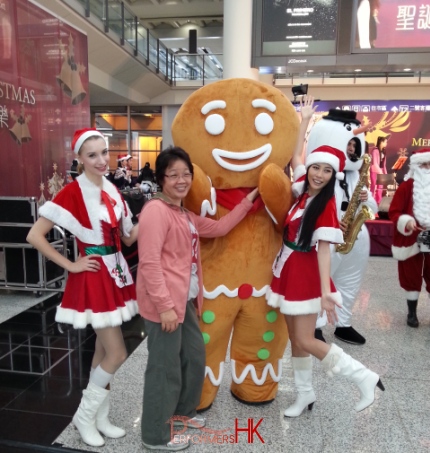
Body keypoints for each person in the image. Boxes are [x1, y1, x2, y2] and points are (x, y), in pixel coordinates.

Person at [266, 97, 384, 418]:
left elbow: (323, 251)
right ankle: (305, 394)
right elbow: (296, 156)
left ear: (334, 174)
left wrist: (326, 291)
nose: (318, 173)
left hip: (305, 279)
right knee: (295, 338)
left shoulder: (326, 207)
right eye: (316, 167)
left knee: (306, 339)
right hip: (288, 272)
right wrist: (303, 121)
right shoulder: (305, 188)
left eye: (326, 170)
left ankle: (364, 378)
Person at [136, 146, 259, 451]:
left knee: (193, 358)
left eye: (186, 174)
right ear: (162, 179)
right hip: (164, 306)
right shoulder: (155, 211)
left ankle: (181, 414)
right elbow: (149, 262)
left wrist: (249, 201)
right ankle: (155, 435)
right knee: (164, 370)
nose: (181, 180)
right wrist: (164, 307)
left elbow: (219, 228)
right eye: (173, 174)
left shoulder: (183, 213)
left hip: (185, 303)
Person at [26, 128, 139, 447]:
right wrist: (72, 264)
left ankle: (99, 418)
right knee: (116, 353)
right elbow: (35, 235)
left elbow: (128, 237)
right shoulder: (73, 192)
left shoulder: (113, 189)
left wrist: (162, 209)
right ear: (79, 159)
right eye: (92, 155)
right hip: (93, 275)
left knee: (103, 352)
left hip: (115, 272)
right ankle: (84, 416)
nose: (102, 160)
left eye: (104, 152)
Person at [389, 148, 430, 328]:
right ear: (416, 166)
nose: (427, 168)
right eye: (423, 165)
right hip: (410, 240)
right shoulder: (406, 187)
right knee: (411, 276)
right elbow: (394, 212)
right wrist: (406, 222)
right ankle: (412, 313)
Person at [370, 136, 388, 204]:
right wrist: (380, 171)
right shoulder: (375, 150)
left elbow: (384, 165)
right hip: (375, 171)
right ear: (381, 142)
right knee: (374, 187)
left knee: (380, 189)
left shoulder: (383, 151)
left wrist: (385, 174)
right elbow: (374, 163)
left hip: (380, 171)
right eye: (385, 142)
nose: (386, 143)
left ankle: (379, 202)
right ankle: (372, 203)